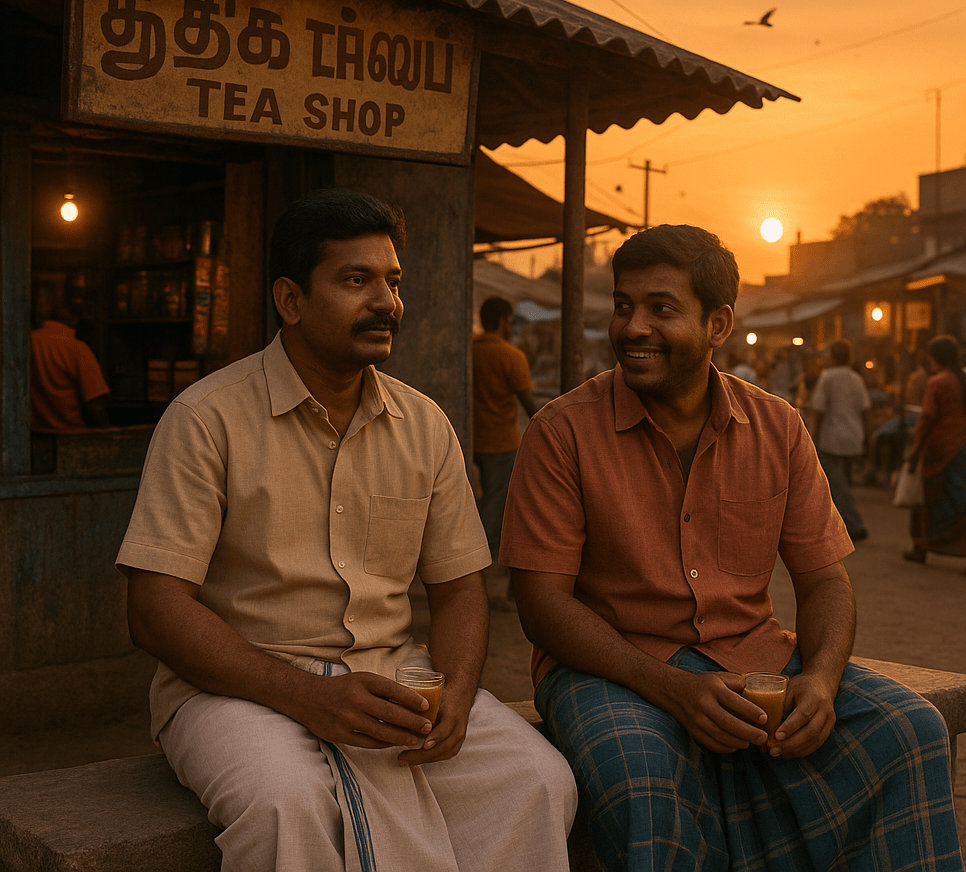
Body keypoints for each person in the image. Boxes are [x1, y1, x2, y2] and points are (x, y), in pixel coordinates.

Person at [116, 190, 576, 872]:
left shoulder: (424, 427)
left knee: (537, 779)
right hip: (233, 690)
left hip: (392, 678)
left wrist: (455, 691)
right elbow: (155, 610)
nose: (387, 302)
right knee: (286, 804)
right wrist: (307, 695)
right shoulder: (206, 419)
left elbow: (459, 591)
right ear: (291, 300)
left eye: (392, 281)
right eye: (356, 280)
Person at [500, 223, 964, 872]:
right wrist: (673, 690)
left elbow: (825, 581)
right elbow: (540, 604)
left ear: (718, 325)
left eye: (662, 309)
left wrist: (822, 682)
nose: (633, 327)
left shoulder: (779, 427)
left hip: (755, 656)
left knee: (911, 732)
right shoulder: (561, 431)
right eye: (623, 306)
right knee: (640, 775)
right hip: (612, 669)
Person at [904, 334, 966, 576]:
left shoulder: (937, 382)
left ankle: (921, 547)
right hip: (963, 446)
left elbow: (926, 419)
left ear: (934, 356)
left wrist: (914, 452)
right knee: (965, 497)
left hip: (939, 447)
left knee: (927, 498)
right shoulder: (965, 380)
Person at [472, 295, 539, 566]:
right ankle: (480, 561)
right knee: (495, 503)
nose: (510, 327)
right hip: (501, 442)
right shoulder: (512, 356)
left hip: (469, 439)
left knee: (481, 498)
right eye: (510, 321)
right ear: (502, 321)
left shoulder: (469, 350)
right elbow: (527, 402)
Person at [806, 339, 871, 541]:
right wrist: (867, 437)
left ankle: (855, 524)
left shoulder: (828, 377)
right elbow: (865, 410)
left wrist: (811, 436)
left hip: (833, 438)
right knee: (843, 482)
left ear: (833, 356)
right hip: (853, 436)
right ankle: (840, 523)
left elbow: (818, 410)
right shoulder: (856, 378)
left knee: (837, 484)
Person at [29, 296, 110, 432]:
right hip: (71, 434)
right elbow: (94, 406)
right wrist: (109, 432)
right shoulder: (77, 348)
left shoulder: (28, 341)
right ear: (75, 319)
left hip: (34, 434)